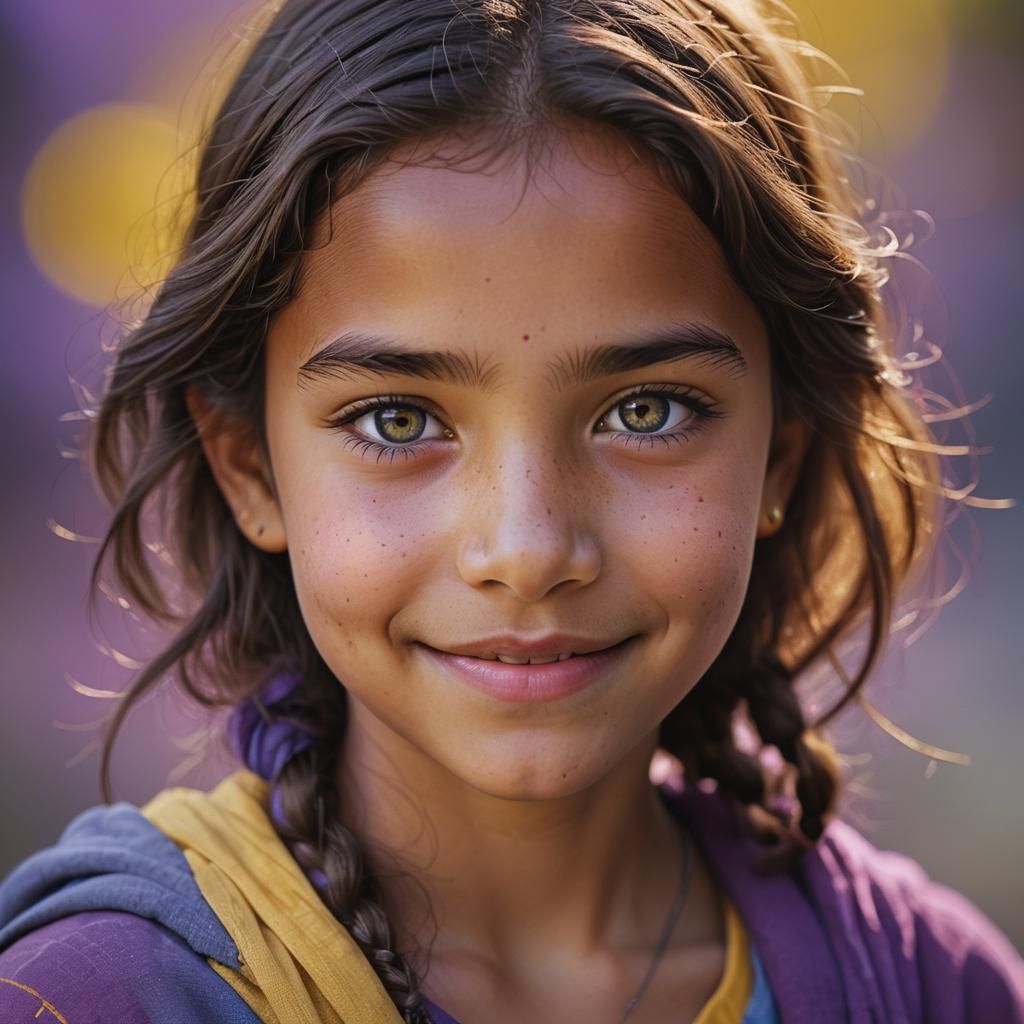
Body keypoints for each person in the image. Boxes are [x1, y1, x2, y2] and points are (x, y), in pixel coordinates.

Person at [1, 0, 1021, 1021]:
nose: (528, 550)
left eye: (645, 410)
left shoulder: (930, 989)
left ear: (778, 461)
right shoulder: (99, 996)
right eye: (398, 420)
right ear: (250, 467)